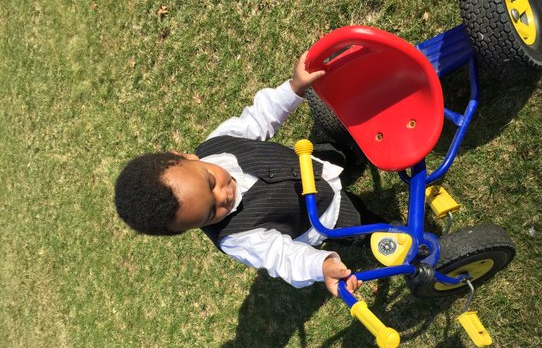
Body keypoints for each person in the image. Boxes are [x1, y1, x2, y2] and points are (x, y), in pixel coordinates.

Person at [115, 51, 377, 297]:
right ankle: (392, 240)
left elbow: (259, 118)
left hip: (311, 162)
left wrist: (294, 88)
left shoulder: (216, 145)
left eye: (210, 181)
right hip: (325, 215)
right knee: (368, 227)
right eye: (211, 212)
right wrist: (322, 266)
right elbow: (282, 257)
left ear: (186, 157)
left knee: (338, 149)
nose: (222, 196)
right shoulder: (235, 238)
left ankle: (354, 141)